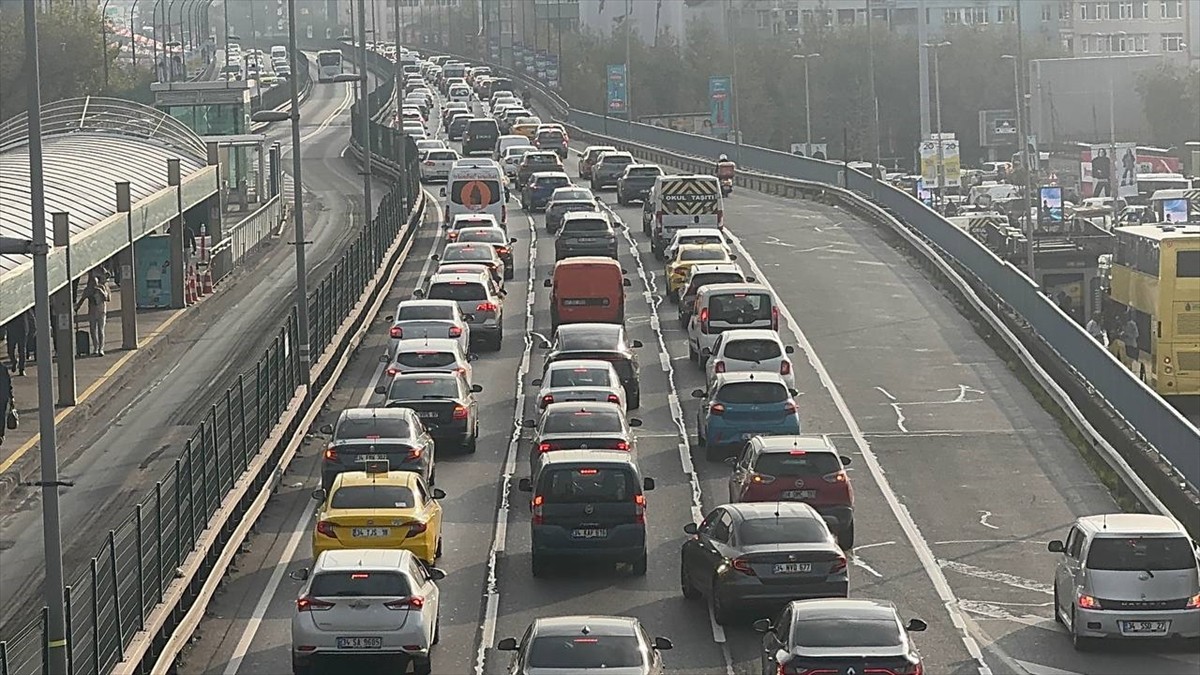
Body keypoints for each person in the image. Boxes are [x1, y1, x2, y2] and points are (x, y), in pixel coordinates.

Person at [75, 273, 111, 357]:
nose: (94, 285)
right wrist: (77, 308)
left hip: (101, 311)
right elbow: (82, 299)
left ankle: (101, 348)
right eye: (92, 283)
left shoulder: (102, 287)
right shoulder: (88, 290)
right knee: (92, 329)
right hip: (92, 311)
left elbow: (108, 298)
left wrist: (101, 292)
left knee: (101, 329)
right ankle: (95, 347)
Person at [5, 310, 30, 376]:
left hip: (22, 328)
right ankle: (14, 361)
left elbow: (30, 314)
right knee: (10, 350)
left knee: (22, 350)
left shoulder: (23, 306)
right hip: (11, 329)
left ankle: (22, 369)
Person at [0, 362, 12, 447]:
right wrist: (11, 397)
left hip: (2, 397)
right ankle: (1, 434)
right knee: (1, 416)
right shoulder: (3, 368)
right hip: (3, 397)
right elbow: (8, 384)